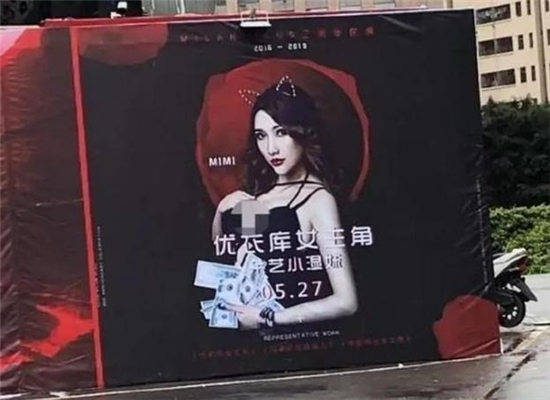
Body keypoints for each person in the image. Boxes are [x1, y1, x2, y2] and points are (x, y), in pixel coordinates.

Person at [211, 75, 358, 330]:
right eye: (261, 136)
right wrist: (222, 210)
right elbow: (226, 257)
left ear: (302, 131)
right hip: (239, 335)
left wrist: (266, 317)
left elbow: (347, 301)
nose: (271, 149)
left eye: (280, 132)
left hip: (287, 335)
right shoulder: (260, 195)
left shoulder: (318, 200)